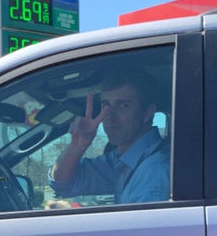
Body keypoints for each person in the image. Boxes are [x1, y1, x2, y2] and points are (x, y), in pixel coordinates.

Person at [49, 72, 169, 204]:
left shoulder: (154, 169)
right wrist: (77, 146)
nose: (110, 116)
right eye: (105, 106)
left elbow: (141, 225)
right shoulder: (121, 160)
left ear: (148, 112)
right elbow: (61, 183)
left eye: (123, 106)